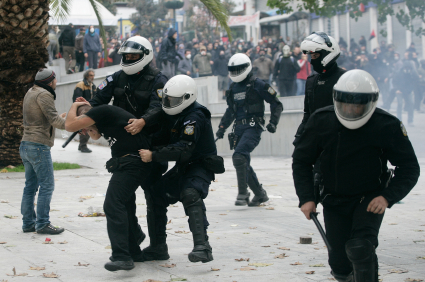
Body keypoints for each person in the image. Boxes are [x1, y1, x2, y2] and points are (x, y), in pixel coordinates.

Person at [292, 69, 420, 282]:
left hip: (369, 199)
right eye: (346, 104)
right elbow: (301, 161)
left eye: (358, 104)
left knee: (361, 248)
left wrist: (388, 196)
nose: (351, 110)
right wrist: (306, 197)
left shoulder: (386, 125)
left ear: (370, 102)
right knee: (340, 265)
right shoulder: (321, 120)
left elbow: (409, 167)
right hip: (333, 198)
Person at [139, 75, 222, 263]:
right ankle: (158, 247)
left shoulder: (195, 117)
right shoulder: (172, 114)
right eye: (167, 100)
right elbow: (160, 137)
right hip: (184, 167)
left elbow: (184, 150)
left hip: (200, 166)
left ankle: (203, 247)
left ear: (187, 98)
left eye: (173, 101)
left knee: (190, 193)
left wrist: (154, 155)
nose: (169, 104)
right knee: (155, 193)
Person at [65, 102, 153, 272]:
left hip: (134, 162)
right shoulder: (101, 120)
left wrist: (75, 104)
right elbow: (96, 136)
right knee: (124, 204)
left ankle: (122, 256)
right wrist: (87, 127)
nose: (83, 132)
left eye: (82, 125)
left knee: (112, 204)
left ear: (85, 115)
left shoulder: (101, 111)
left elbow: (69, 125)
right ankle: (134, 251)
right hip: (127, 163)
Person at [215, 53, 283, 206]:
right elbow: (230, 111)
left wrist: (273, 122)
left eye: (239, 69)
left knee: (239, 157)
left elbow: (276, 103)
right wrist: (221, 127)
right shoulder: (233, 87)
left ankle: (243, 193)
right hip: (239, 128)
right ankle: (260, 194)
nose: (236, 73)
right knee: (243, 161)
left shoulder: (258, 84)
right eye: (233, 70)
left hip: (253, 127)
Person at [88, 36, 168, 134]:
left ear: (145, 54)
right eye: (127, 56)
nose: (129, 59)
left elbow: (158, 106)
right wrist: (85, 110)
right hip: (121, 133)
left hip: (147, 135)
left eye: (133, 56)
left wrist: (143, 121)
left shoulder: (158, 79)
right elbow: (99, 98)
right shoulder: (117, 77)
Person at [20, 69, 66, 235]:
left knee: (30, 186)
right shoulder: (45, 94)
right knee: (47, 186)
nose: (55, 82)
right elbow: (55, 120)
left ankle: (28, 224)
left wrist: (58, 119)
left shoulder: (31, 92)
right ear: (50, 81)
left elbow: (43, 118)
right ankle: (42, 224)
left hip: (26, 144)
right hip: (38, 146)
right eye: (54, 79)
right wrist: (78, 123)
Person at [294, 31, 345, 145]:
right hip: (316, 139)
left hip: (338, 139)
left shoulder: (345, 78)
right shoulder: (312, 81)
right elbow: (308, 114)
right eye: (311, 56)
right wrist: (300, 136)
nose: (312, 60)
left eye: (316, 56)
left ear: (328, 54)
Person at [72, 69, 97, 153]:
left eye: (93, 75)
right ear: (86, 76)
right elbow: (76, 98)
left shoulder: (93, 86)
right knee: (85, 128)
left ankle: (82, 145)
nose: (93, 77)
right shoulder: (81, 85)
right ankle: (83, 146)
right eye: (91, 75)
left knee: (87, 127)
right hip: (82, 110)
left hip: (90, 110)